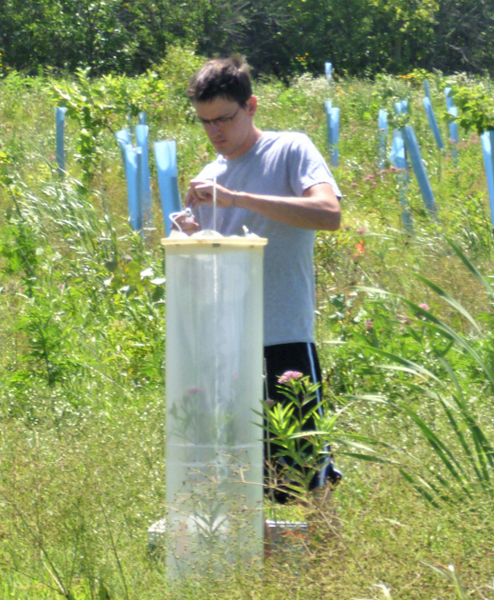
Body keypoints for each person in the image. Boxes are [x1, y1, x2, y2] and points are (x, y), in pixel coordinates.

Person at [177, 55, 342, 504]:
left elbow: (330, 215)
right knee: (238, 472)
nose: (215, 132)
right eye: (205, 122)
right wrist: (191, 236)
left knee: (307, 470)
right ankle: (253, 565)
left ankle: (329, 558)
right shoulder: (209, 176)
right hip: (226, 343)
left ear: (251, 106)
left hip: (283, 335)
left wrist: (238, 199)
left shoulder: (291, 149)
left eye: (225, 118)